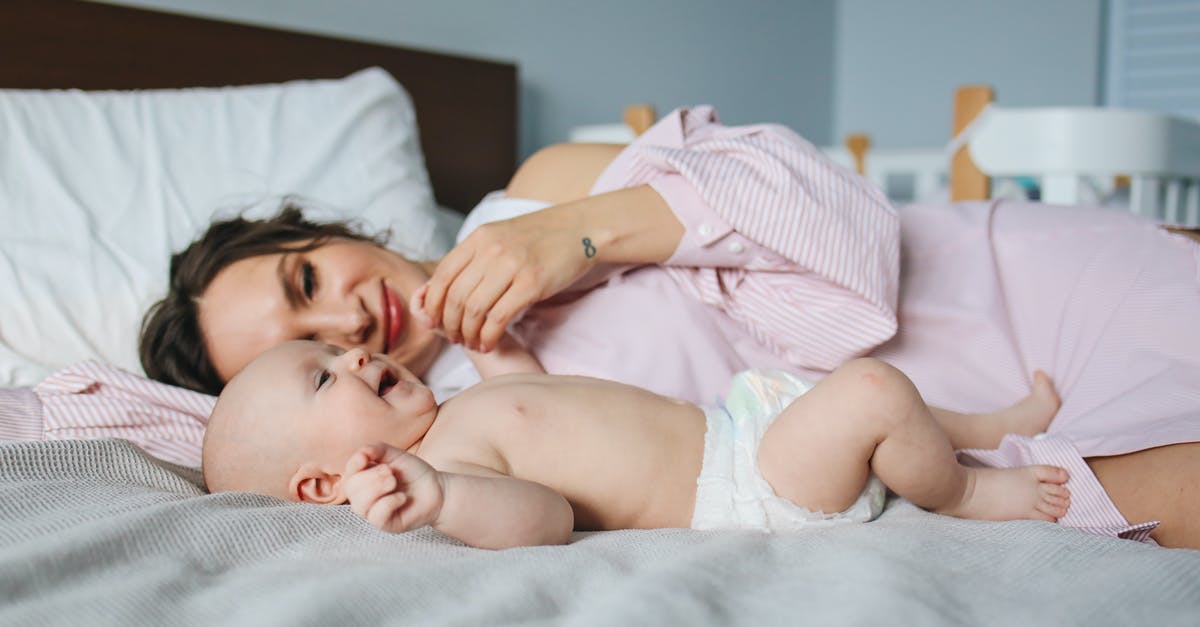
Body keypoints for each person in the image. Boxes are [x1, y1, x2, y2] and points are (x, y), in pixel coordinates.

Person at [142, 106, 1200, 548]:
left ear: (333, 232)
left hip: (976, 293)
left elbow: (838, 223)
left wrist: (580, 237)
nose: (346, 321)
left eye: (307, 278)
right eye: (300, 356)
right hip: (901, 443)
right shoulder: (460, 432)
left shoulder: (535, 196)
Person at [202, 339, 1070, 549]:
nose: (352, 352)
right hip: (748, 487)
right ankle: (963, 490)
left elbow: (540, 396)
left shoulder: (465, 400)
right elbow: (544, 515)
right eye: (323, 378)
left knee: (841, 383)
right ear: (320, 486)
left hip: (738, 421)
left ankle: (989, 426)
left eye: (332, 347)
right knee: (872, 390)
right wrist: (438, 497)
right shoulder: (447, 465)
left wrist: (497, 340)